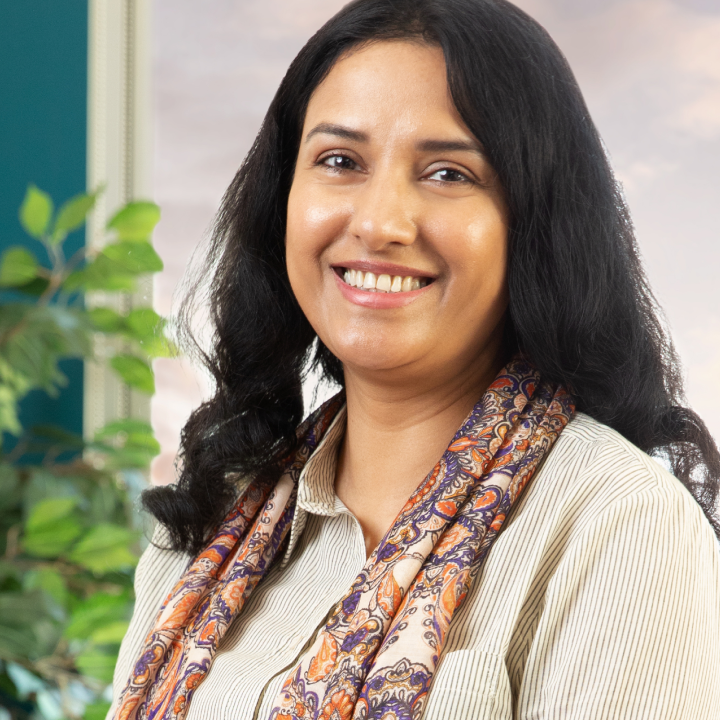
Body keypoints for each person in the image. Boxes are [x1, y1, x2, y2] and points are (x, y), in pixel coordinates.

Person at [108, 1, 720, 718]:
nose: (378, 222)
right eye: (339, 161)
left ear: (534, 220)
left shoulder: (617, 526)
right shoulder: (211, 521)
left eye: (448, 173)